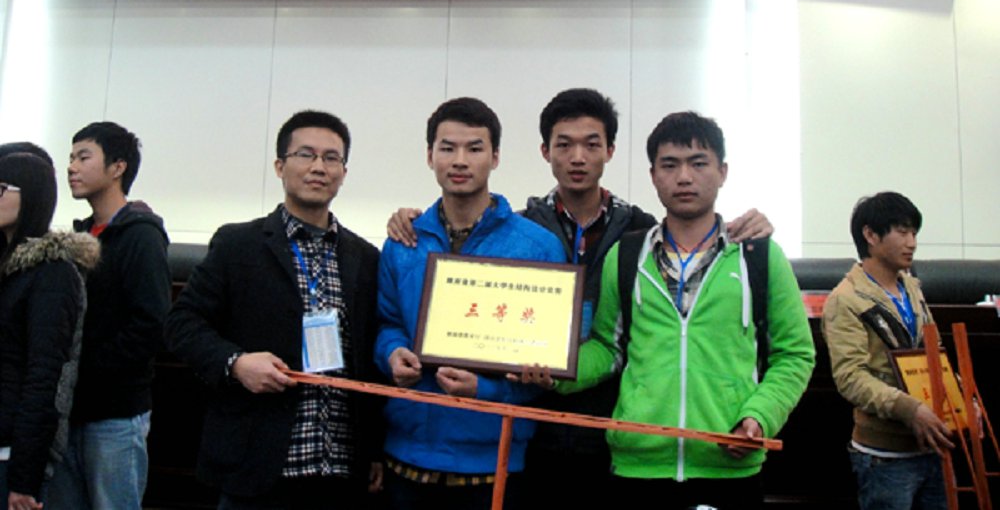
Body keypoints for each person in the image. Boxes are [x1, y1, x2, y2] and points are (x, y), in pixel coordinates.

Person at [388, 89, 775, 506]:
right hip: (536, 426)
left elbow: (688, 241)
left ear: (610, 150)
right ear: (545, 151)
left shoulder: (640, 233)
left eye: (591, 145)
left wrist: (749, 226)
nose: (577, 158)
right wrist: (410, 219)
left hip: (616, 430)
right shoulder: (521, 231)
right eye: (564, 145)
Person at [530, 111, 814, 510]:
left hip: (729, 467)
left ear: (722, 172)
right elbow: (608, 350)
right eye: (669, 165)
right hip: (637, 468)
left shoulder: (759, 257)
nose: (684, 177)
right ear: (653, 175)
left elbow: (795, 354)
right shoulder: (626, 256)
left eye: (698, 163)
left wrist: (759, 416)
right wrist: (555, 369)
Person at [165, 110, 382, 509]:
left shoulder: (365, 258)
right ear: (280, 166)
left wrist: (374, 450)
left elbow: (369, 358)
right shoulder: (237, 244)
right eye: (306, 154)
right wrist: (236, 363)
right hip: (256, 465)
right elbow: (182, 324)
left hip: (339, 468)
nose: (319, 167)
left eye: (331, 158)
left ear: (343, 172)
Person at [375, 97, 565, 510]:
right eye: (448, 148)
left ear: (495, 157)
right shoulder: (404, 242)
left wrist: (485, 389)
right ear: (430, 156)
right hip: (407, 451)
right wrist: (391, 354)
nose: (460, 160)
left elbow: (545, 361)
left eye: (474, 148)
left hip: (495, 458)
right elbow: (387, 322)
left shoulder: (538, 247)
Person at [47, 121, 171, 510]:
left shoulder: (141, 235)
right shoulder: (82, 236)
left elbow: (150, 323)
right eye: (70, 158)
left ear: (118, 167)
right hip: (70, 410)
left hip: (115, 413)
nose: (71, 167)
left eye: (83, 157)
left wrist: (89, 369)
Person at [822, 192, 952, 510]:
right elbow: (850, 377)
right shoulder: (846, 299)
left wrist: (962, 399)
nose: (912, 243)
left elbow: (936, 354)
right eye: (903, 232)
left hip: (933, 445)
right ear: (870, 235)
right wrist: (909, 409)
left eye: (914, 233)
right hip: (884, 457)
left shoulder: (912, 288)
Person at [0, 152, 99, 510]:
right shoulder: (7, 267)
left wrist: (24, 478)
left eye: (0, 189)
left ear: (30, 195)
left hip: (10, 453)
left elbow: (44, 380)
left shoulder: (53, 274)